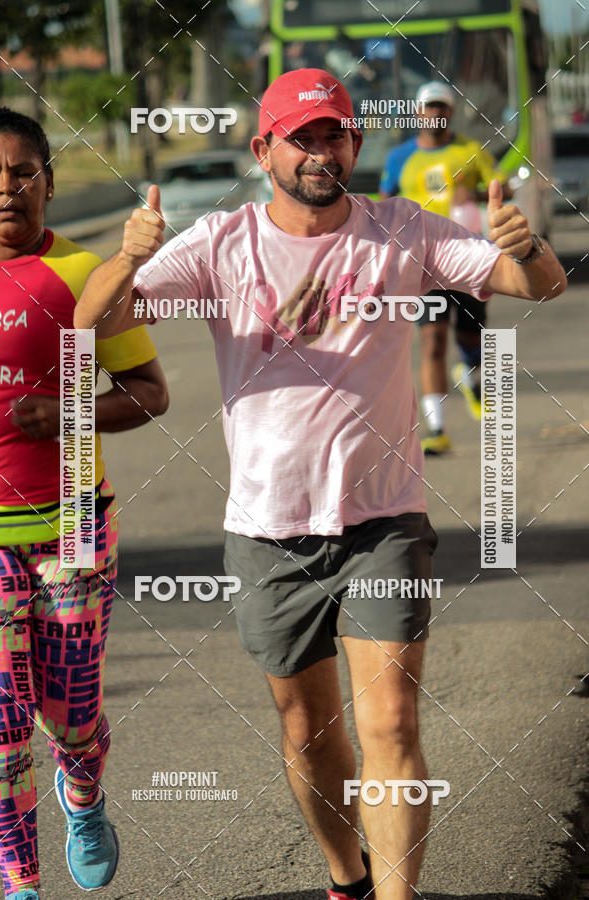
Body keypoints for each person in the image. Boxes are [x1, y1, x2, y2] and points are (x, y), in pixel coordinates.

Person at [75, 68, 566, 900]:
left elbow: (539, 286)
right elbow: (89, 325)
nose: (319, 150)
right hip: (267, 530)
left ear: (355, 141)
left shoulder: (400, 231)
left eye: (333, 133)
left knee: (392, 723)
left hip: (384, 523)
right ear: (264, 148)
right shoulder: (221, 245)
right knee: (308, 731)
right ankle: (348, 877)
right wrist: (127, 260)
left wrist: (527, 245)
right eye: (300, 137)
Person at [0, 108, 169, 899]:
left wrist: (69, 412)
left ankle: (84, 792)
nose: (6, 187)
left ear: (49, 184)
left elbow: (150, 393)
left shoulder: (86, 276)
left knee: (68, 715)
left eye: (22, 171)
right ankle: (22, 886)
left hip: (71, 523)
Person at [380, 81, 512, 455]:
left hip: (466, 259)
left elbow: (503, 190)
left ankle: (471, 377)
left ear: (450, 112)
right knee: (432, 342)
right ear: (418, 113)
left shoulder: (470, 151)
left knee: (472, 339)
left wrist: (478, 194)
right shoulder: (399, 157)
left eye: (442, 107)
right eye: (429, 107)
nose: (435, 113)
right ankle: (437, 430)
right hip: (421, 265)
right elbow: (384, 205)